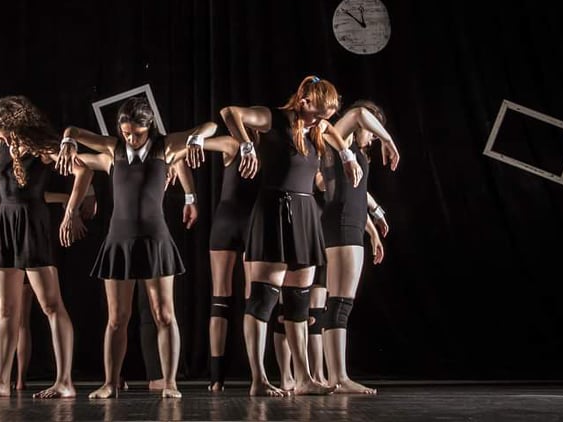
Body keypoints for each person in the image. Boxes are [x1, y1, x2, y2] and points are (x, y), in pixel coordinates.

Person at [57, 96, 216, 399]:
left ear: (149, 127)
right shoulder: (113, 150)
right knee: (117, 319)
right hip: (119, 241)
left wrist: (196, 139)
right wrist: (67, 142)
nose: (131, 138)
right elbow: (73, 131)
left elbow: (211, 126)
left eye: (137, 133)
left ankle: (170, 383)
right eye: (126, 132)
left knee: (164, 315)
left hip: (156, 240)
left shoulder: (164, 147)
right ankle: (109, 383)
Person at [220, 75, 362, 397]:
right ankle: (259, 379)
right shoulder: (272, 117)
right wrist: (246, 145)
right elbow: (230, 113)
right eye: (317, 113)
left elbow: (332, 131)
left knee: (299, 303)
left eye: (326, 116)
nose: (320, 121)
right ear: (303, 101)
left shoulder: (318, 127)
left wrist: (347, 155)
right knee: (263, 299)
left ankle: (304, 378)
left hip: (305, 212)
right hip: (274, 210)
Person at [0, 95, 91, 399]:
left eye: (4, 131)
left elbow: (84, 171)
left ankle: (64, 381)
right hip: (3, 224)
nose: (0, 136)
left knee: (51, 305)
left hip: (31, 222)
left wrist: (71, 211)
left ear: (18, 125)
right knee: (6, 309)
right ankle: (1, 381)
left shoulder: (41, 148)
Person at [318, 99, 399, 394]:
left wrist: (374, 222)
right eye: (373, 132)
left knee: (341, 303)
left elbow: (356, 193)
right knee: (339, 303)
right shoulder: (341, 139)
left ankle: (335, 376)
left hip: (350, 222)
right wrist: (389, 141)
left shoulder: (354, 153)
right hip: (340, 223)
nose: (374, 138)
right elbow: (358, 113)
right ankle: (337, 377)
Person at [199, 135, 260, 391]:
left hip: (236, 221)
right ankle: (236, 376)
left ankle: (222, 378)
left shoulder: (236, 144)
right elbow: (197, 143)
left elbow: (195, 142)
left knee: (228, 300)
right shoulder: (235, 143)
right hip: (243, 221)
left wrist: (186, 147)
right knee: (244, 301)